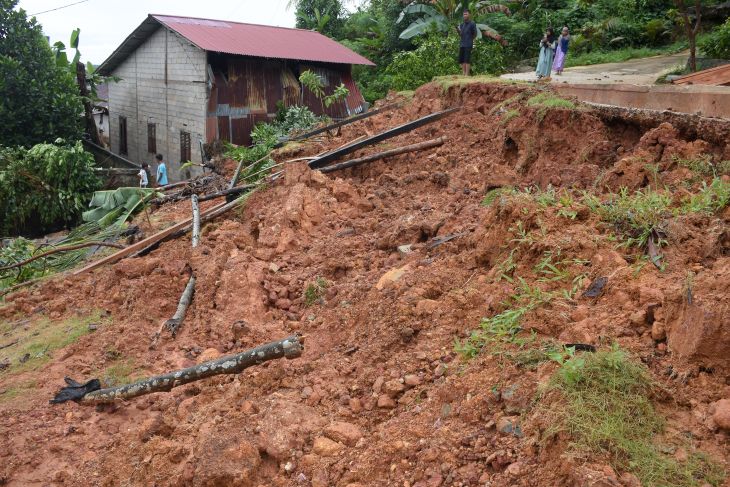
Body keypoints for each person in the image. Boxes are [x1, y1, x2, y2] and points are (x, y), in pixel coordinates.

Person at [457, 10, 477, 76]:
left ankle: (467, 74)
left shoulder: (472, 23)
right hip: (462, 43)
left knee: (467, 59)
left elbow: (475, 34)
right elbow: (461, 34)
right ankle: (463, 73)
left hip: (468, 44)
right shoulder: (462, 24)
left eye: (466, 14)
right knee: (462, 60)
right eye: (464, 14)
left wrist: (471, 40)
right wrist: (458, 30)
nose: (465, 15)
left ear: (469, 15)